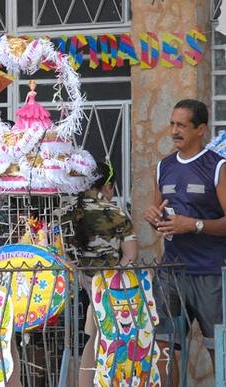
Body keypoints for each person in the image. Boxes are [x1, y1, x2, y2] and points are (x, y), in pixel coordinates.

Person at [143, 99, 226, 381]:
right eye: (172, 124)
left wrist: (194, 225)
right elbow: (163, 219)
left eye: (182, 125)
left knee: (220, 350)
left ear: (200, 129)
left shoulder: (218, 167)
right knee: (164, 348)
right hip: (171, 272)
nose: (174, 131)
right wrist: (156, 219)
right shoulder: (163, 167)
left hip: (210, 273)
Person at [66, 160, 138, 387]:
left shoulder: (68, 212)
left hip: (75, 285)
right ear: (108, 186)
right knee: (108, 337)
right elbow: (131, 254)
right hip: (109, 286)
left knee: (78, 340)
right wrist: (114, 280)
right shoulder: (117, 214)